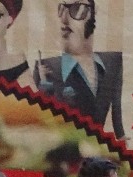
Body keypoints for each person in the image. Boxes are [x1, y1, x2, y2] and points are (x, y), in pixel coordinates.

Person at [34, 0, 126, 138]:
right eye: (62, 8)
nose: (64, 19)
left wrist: (121, 136)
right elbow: (41, 120)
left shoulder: (113, 61)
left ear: (94, 13)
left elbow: (117, 110)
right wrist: (45, 84)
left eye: (77, 9)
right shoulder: (45, 67)